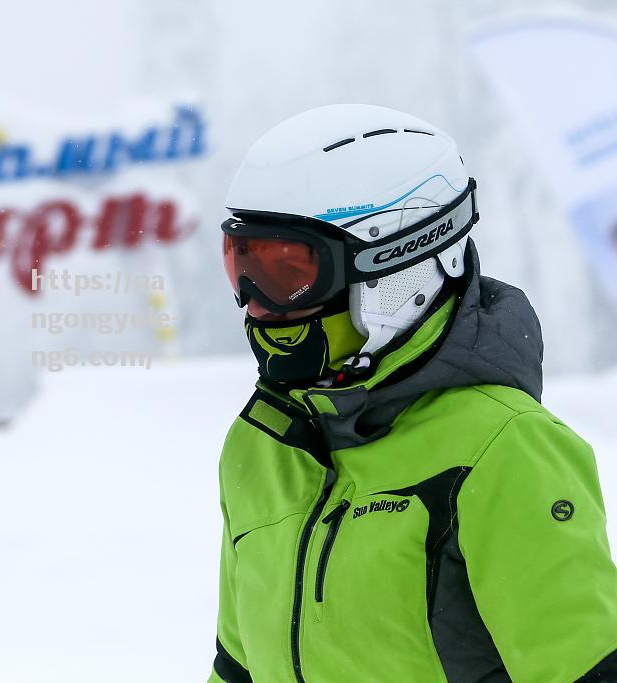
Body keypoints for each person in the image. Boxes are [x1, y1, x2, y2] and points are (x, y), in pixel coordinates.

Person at [209, 104, 617, 683]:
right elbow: (239, 669)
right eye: (242, 265)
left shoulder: (501, 449)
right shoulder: (264, 445)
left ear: (396, 264)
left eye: (286, 272)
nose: (256, 304)